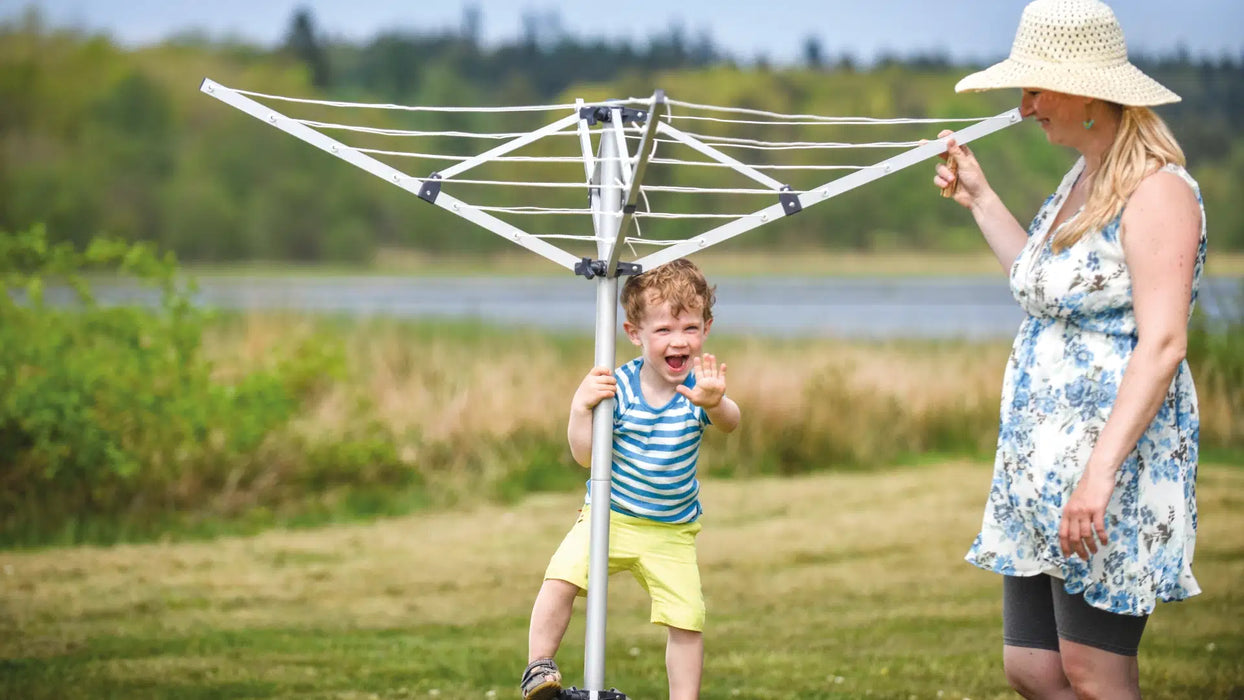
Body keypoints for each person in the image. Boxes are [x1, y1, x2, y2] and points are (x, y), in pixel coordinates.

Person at [932, 1, 1205, 697]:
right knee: (1033, 668)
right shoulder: (1079, 182)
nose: (1024, 107)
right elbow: (1044, 287)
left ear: (1086, 93)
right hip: (1038, 464)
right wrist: (982, 199)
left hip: (1106, 462)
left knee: (1093, 672)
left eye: (1034, 89)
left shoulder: (1159, 190)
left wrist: (1098, 475)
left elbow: (1164, 342)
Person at [519, 258, 741, 700]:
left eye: (690, 329)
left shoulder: (700, 388)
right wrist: (579, 408)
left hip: (672, 531)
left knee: (686, 619)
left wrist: (716, 403)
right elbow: (585, 457)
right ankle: (538, 668)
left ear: (707, 328)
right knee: (561, 578)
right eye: (663, 331)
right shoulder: (615, 386)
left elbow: (732, 423)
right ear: (634, 333)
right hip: (609, 516)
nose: (679, 341)